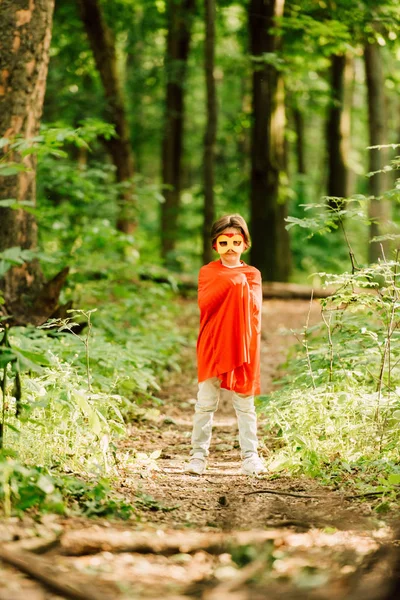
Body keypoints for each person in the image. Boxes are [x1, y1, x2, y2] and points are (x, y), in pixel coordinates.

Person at [186, 214, 266, 476]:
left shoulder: (252, 274)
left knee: (245, 405)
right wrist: (234, 283)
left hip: (243, 344)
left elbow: (254, 309)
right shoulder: (207, 272)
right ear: (215, 245)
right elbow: (206, 304)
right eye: (224, 242)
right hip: (212, 342)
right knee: (205, 403)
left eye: (236, 242)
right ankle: (198, 456)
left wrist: (238, 282)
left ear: (245, 244)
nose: (230, 248)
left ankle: (250, 457)